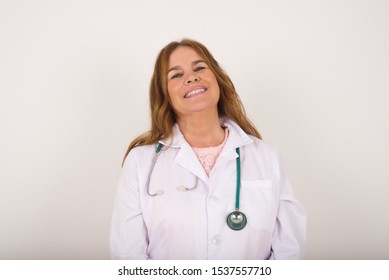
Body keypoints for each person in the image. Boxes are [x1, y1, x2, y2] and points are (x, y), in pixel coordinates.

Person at [109, 38, 306, 260]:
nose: (191, 77)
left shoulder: (266, 156)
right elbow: (128, 255)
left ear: (217, 79)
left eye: (200, 68)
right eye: (176, 74)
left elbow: (289, 250)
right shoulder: (140, 163)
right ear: (164, 94)